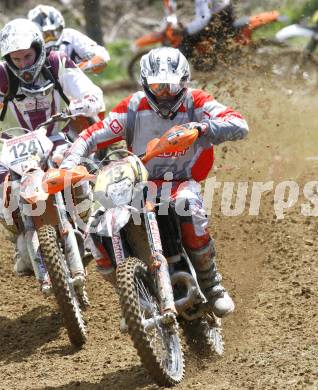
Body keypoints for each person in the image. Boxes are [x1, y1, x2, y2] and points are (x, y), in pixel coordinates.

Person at [60, 47, 249, 318]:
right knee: (98, 224)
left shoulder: (197, 102)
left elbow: (238, 123)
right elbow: (91, 135)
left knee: (188, 207)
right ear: (145, 83)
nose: (164, 92)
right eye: (157, 86)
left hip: (181, 181)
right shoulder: (133, 107)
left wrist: (201, 128)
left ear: (184, 82)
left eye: (170, 86)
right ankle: (132, 292)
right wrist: (69, 164)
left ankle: (213, 285)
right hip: (138, 183)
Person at [0, 18, 105, 288]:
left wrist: (83, 103)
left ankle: (93, 226)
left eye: (27, 56)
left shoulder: (56, 63)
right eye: (16, 58)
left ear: (38, 49)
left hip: (56, 137)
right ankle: (20, 240)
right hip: (15, 146)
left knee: (74, 171)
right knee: (4, 193)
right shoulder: (1, 75)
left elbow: (92, 92)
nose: (22, 64)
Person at [27, 4, 110, 74]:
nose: (50, 38)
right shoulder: (29, 45)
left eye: (53, 32)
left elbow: (102, 55)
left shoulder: (69, 35)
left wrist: (85, 65)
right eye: (46, 35)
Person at [164, 0, 235, 58]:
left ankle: (177, 63)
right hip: (222, 14)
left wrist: (186, 30)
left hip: (221, 17)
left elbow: (204, 18)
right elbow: (202, 15)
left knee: (188, 38)